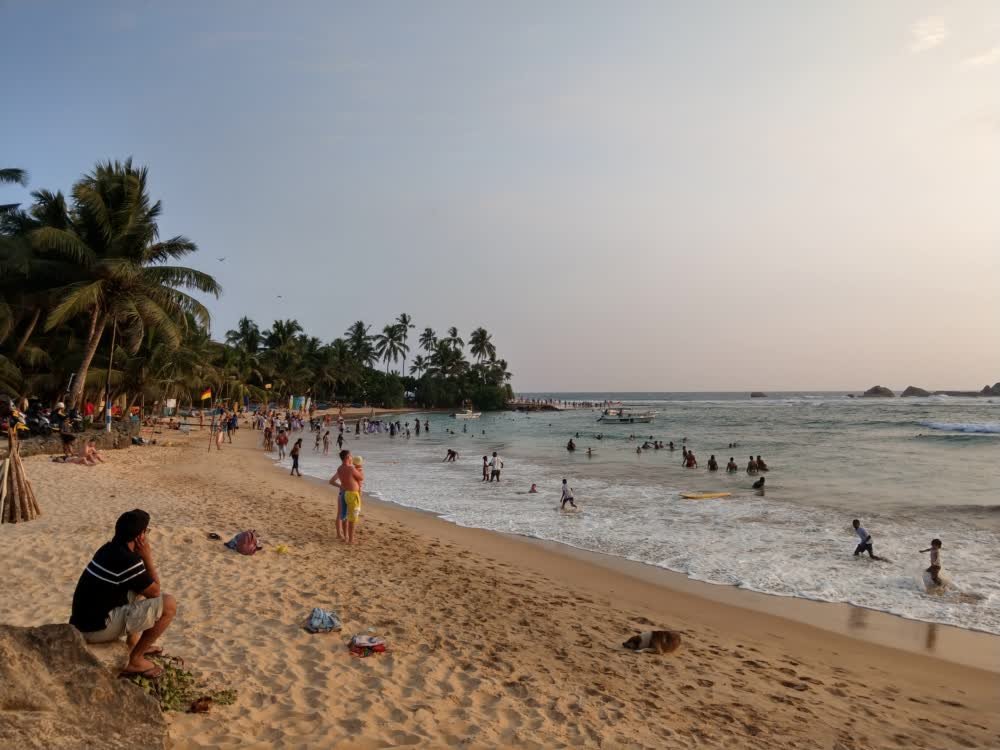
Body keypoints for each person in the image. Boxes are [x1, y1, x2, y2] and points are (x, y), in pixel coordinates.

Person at [69, 509, 177, 678]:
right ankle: (135, 659)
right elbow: (155, 592)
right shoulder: (128, 560)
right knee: (169, 604)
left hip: (82, 623)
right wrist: (147, 557)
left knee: (138, 590)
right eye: (146, 531)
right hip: (94, 631)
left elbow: (143, 589)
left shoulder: (108, 549)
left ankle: (133, 645)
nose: (147, 536)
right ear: (139, 537)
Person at [330, 450, 365, 544]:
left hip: (344, 494)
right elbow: (361, 478)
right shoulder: (351, 468)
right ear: (347, 457)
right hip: (352, 494)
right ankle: (350, 540)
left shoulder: (340, 468)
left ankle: (346, 537)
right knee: (352, 518)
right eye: (350, 456)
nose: (352, 457)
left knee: (344, 516)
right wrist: (359, 468)